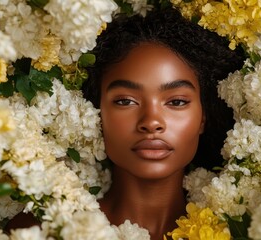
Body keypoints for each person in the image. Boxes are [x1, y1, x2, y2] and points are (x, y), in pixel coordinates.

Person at [82, 8, 245, 240]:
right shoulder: (45, 231)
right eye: (126, 101)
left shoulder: (245, 230)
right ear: (96, 112)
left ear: (203, 117)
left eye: (177, 101)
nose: (151, 122)